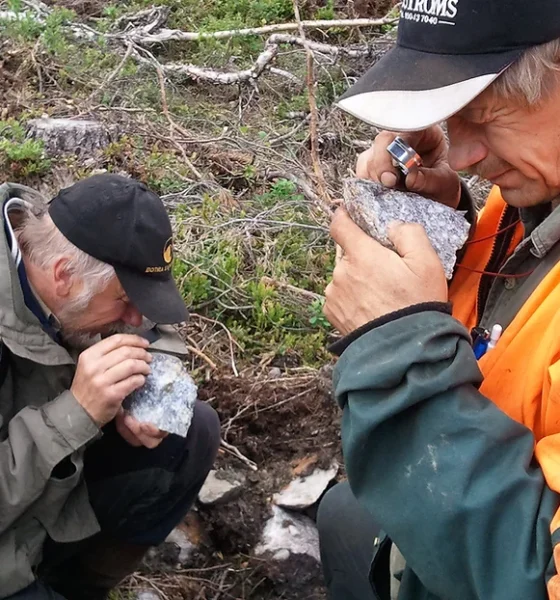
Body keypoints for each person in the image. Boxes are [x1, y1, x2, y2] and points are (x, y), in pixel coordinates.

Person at [317, 1, 560, 599]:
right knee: (343, 515)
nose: (461, 154)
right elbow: (504, 332)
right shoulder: (538, 194)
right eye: (454, 119)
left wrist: (400, 348)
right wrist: (438, 227)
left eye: (488, 115)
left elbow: (534, 578)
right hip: (445, 528)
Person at [0, 174, 220, 600]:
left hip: (43, 487)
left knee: (192, 433)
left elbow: (155, 327)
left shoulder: (64, 245)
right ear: (63, 277)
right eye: (125, 300)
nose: (136, 318)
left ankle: (78, 588)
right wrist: (75, 414)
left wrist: (143, 393)